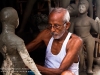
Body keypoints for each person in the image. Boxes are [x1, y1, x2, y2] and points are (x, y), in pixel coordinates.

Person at [26, 7, 83, 75]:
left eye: (56, 26)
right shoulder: (46, 34)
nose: (52, 30)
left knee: (67, 74)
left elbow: (60, 71)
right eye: (50, 25)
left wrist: (32, 66)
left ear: (67, 25)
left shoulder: (75, 41)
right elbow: (26, 49)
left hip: (61, 73)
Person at [0, 7, 41, 75]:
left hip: (5, 68)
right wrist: (38, 73)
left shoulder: (1, 38)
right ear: (15, 21)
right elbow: (28, 60)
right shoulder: (17, 41)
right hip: (17, 70)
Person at [69, 0, 100, 74]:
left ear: (87, 8)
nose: (81, 8)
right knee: (80, 55)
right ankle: (81, 67)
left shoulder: (90, 20)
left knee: (90, 52)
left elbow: (97, 30)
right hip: (79, 38)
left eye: (83, 7)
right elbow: (70, 33)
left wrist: (98, 23)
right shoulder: (75, 21)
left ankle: (89, 68)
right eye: (80, 6)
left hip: (88, 37)